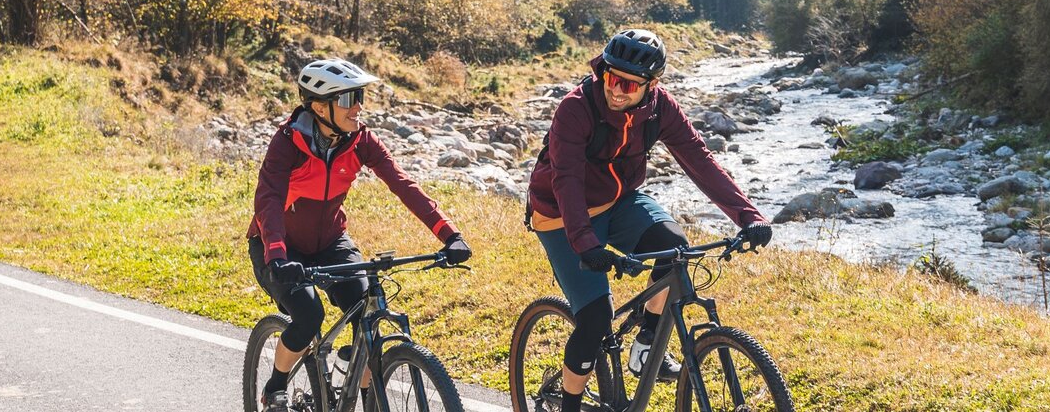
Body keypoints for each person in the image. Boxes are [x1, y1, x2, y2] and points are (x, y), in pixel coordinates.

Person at [527, 29, 772, 410]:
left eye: (629, 84)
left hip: (620, 202)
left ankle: (646, 346)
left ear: (652, 84)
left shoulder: (661, 109)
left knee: (676, 251)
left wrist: (748, 216)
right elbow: (567, 181)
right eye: (611, 78)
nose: (617, 90)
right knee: (595, 318)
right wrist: (587, 244)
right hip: (560, 214)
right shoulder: (576, 109)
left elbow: (699, 160)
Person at [247, 58, 473, 411]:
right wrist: (276, 253)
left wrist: (448, 233)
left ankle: (356, 385)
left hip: (330, 243)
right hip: (278, 247)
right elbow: (269, 200)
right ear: (321, 107)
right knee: (308, 314)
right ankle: (275, 385)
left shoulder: (360, 140)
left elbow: (404, 185)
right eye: (349, 99)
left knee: (365, 306)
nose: (359, 107)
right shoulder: (287, 143)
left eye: (360, 96)